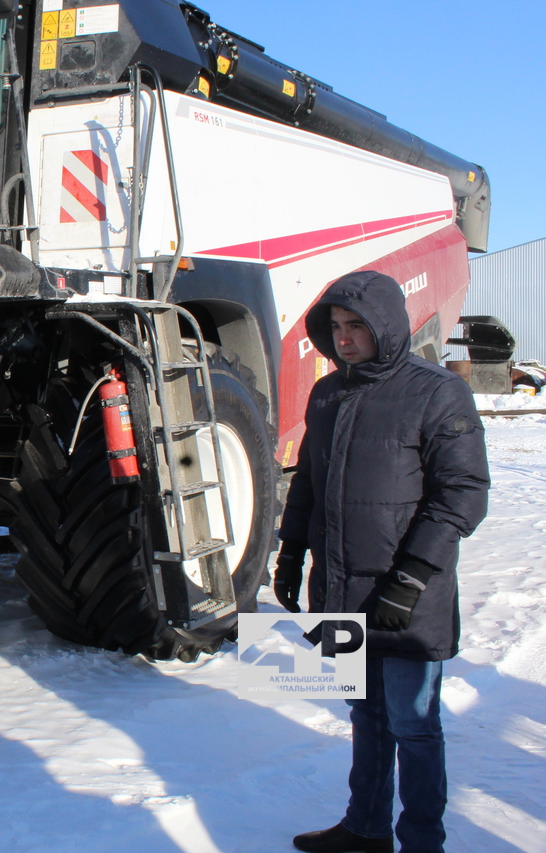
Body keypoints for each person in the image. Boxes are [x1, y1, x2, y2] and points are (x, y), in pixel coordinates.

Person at [273, 271, 489, 853]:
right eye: (336, 326)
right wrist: (291, 552)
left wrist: (412, 578)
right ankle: (365, 828)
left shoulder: (438, 392)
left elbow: (463, 494)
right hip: (342, 587)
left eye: (357, 326)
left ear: (387, 325)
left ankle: (422, 841)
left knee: (413, 725)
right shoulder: (328, 394)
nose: (344, 339)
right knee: (366, 715)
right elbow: (309, 480)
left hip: (408, 597)